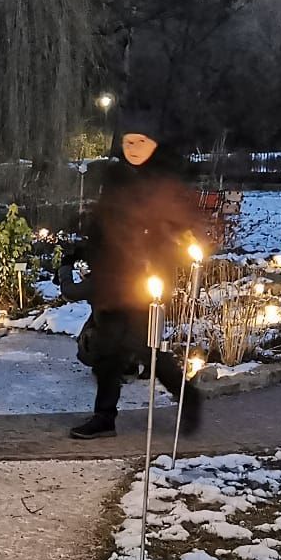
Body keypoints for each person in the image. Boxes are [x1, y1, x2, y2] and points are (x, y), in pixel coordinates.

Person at [60, 113, 204, 440]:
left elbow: (178, 230)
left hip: (145, 282)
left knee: (144, 348)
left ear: (155, 144)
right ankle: (104, 418)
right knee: (107, 353)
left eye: (142, 141)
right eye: (128, 141)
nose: (134, 148)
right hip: (113, 280)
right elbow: (102, 226)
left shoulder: (164, 182)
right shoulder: (115, 179)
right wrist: (86, 247)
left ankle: (188, 396)